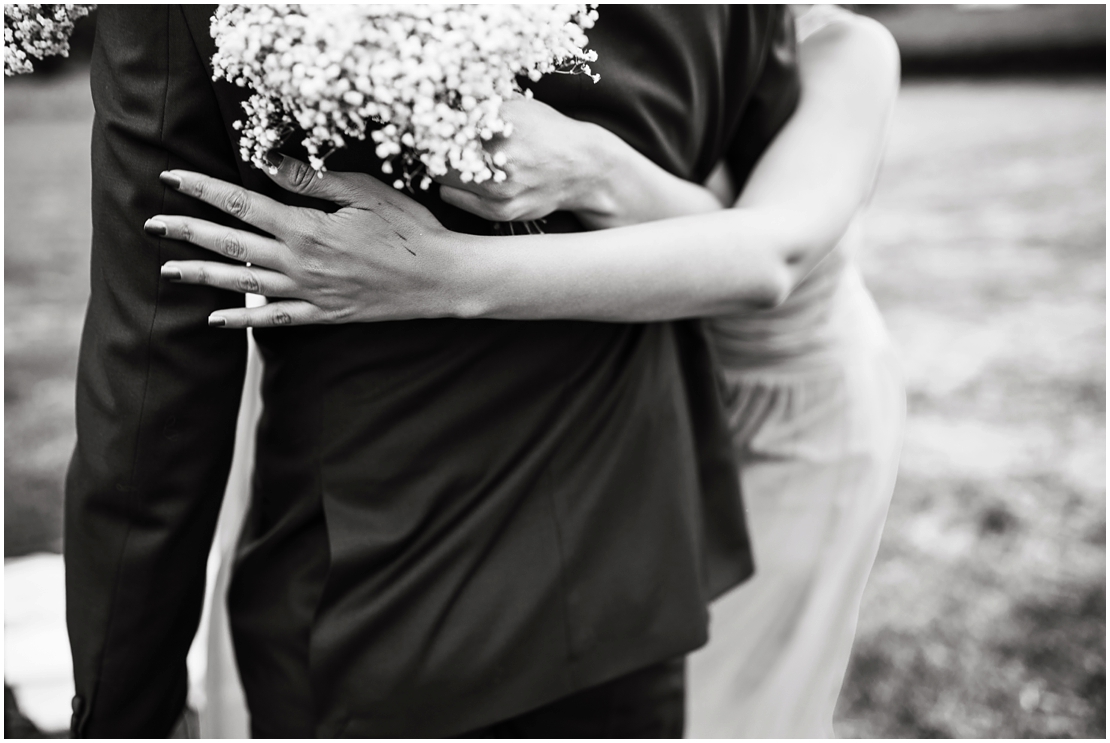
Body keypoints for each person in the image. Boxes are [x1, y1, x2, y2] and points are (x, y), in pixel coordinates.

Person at [159, 5, 903, 738]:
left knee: (743, 690)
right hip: (656, 378)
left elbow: (763, 257)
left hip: (790, 408)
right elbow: (709, 214)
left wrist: (450, 270)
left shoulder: (850, 49)